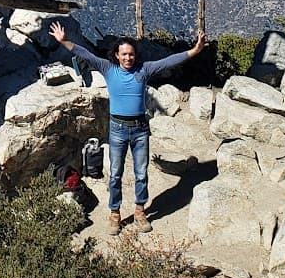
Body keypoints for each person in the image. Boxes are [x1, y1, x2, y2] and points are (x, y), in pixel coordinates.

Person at [48, 20, 206, 235]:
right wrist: (64, 41)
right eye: (124, 54)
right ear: (116, 55)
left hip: (140, 129)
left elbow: (169, 61)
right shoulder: (108, 68)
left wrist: (195, 50)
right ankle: (115, 214)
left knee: (141, 173)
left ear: (135, 55)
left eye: (131, 54)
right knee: (115, 174)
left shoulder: (145, 70)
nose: (128, 58)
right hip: (117, 129)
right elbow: (86, 55)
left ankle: (140, 212)